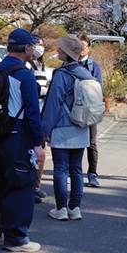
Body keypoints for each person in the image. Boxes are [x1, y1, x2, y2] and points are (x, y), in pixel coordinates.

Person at [0, 28, 45, 253]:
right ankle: (16, 237)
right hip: (18, 135)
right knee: (21, 184)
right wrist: (37, 144)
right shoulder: (24, 75)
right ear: (27, 48)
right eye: (32, 47)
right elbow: (32, 112)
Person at [41, 35, 93, 221]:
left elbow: (53, 103)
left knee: (61, 169)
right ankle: (75, 208)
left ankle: (61, 209)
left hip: (62, 126)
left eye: (61, 49)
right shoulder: (86, 73)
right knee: (77, 169)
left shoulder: (62, 74)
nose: (58, 51)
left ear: (68, 53)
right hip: (81, 125)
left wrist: (45, 129)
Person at [77, 35, 103, 187]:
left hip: (90, 110)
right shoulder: (69, 64)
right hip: (74, 110)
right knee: (75, 142)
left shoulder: (94, 66)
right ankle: (75, 172)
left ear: (89, 48)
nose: (81, 49)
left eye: (83, 46)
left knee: (91, 142)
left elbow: (98, 87)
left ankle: (92, 173)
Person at [28, 36, 49, 204]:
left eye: (41, 46)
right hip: (31, 113)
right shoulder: (26, 65)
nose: (39, 48)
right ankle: (30, 187)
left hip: (41, 112)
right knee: (34, 151)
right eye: (36, 45)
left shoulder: (41, 65)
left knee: (41, 152)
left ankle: (36, 185)